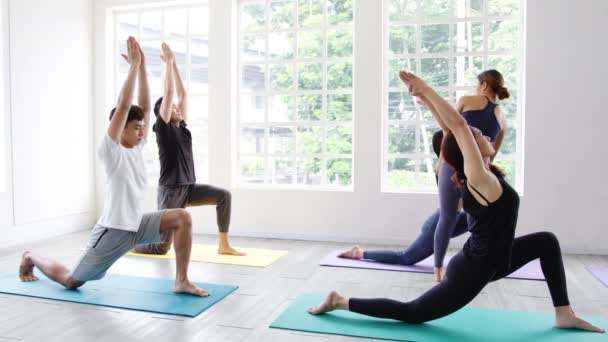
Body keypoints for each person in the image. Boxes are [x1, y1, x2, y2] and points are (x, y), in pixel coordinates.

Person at [308, 70, 605, 334]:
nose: (481, 133)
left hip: (497, 259)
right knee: (413, 313)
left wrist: (429, 104)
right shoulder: (480, 179)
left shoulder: (483, 173)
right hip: (472, 270)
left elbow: (454, 131)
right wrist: (425, 89)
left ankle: (564, 313)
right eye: (477, 134)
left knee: (547, 241)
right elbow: (460, 128)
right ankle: (341, 301)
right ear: (471, 151)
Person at [18, 37, 209, 297]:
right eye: (135, 128)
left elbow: (142, 104)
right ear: (120, 130)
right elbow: (125, 106)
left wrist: (141, 67)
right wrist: (132, 69)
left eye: (143, 128)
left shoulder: (137, 147)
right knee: (72, 280)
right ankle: (31, 257)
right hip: (113, 231)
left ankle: (182, 281)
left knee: (182, 217)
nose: (142, 133)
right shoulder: (110, 150)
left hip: (137, 225)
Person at [340, 70, 509, 281]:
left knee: (463, 218)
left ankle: (362, 252)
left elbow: (449, 129)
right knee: (413, 252)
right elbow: (489, 154)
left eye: (477, 85)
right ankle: (437, 270)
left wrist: (428, 100)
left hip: (457, 171)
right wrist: (428, 101)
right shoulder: (503, 120)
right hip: (458, 170)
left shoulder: (469, 100)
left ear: (483, 85)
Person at [133, 43, 244, 257]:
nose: (177, 108)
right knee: (162, 247)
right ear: (163, 114)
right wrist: (167, 65)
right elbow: (169, 91)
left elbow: (182, 95)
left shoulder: (182, 127)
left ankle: (224, 244)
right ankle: (130, 241)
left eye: (176, 107)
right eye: (172, 107)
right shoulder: (163, 129)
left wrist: (174, 63)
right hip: (172, 191)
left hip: (189, 187)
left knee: (223, 196)